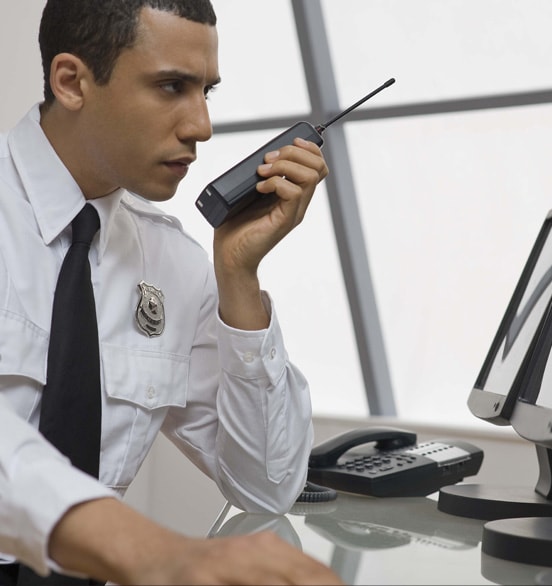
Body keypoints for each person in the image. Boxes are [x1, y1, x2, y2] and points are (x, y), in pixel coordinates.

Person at [0, 0, 342, 584]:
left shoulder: (175, 264)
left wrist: (238, 279)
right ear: (71, 81)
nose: (201, 126)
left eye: (206, 91)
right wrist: (153, 551)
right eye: (170, 87)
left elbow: (266, 482)